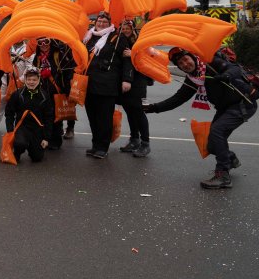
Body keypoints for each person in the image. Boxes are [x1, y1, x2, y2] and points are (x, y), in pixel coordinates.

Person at [144, 48, 257, 189]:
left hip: (243, 103)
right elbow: (177, 99)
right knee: (211, 146)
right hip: (225, 108)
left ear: (192, 57)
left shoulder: (209, 62)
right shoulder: (193, 79)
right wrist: (153, 108)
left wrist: (226, 75)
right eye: (180, 64)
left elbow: (234, 69)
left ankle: (223, 175)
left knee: (217, 131)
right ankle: (229, 158)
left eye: (186, 59)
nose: (185, 64)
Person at [83, 11, 132, 159]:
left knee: (104, 118)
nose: (101, 24)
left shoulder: (118, 38)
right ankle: (95, 145)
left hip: (107, 85)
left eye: (105, 22)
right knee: (92, 117)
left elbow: (127, 60)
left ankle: (103, 147)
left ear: (110, 23)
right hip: (89, 84)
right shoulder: (88, 37)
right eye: (99, 21)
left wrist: (127, 79)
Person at [32, 36, 76, 149]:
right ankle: (44, 139)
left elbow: (68, 72)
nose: (43, 45)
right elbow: (33, 72)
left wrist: (67, 91)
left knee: (56, 117)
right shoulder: (37, 57)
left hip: (56, 91)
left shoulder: (58, 55)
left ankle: (55, 142)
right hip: (41, 91)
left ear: (50, 42)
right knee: (43, 116)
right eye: (40, 43)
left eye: (46, 42)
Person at [117, 20, 152, 157]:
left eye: (127, 28)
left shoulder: (141, 42)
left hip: (138, 81)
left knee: (138, 111)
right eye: (123, 28)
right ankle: (134, 139)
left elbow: (148, 59)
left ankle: (145, 143)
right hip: (125, 80)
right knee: (129, 111)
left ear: (132, 29)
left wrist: (133, 54)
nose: (125, 30)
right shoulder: (120, 41)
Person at [5, 67, 54, 163]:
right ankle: (17, 152)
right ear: (25, 80)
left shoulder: (44, 96)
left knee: (37, 158)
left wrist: (46, 138)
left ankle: (33, 148)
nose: (31, 82)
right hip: (22, 128)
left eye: (34, 80)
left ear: (39, 80)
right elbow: (9, 113)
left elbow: (49, 117)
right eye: (29, 79)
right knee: (20, 143)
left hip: (37, 129)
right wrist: (10, 131)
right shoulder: (17, 94)